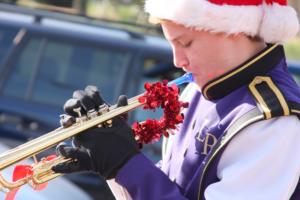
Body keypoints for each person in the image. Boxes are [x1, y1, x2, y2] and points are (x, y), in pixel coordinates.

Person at [52, 0, 300, 199]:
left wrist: (124, 163)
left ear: (233, 29)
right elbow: (173, 187)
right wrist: (113, 164)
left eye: (185, 43)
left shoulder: (273, 121)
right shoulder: (199, 89)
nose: (177, 61)